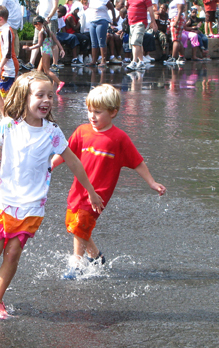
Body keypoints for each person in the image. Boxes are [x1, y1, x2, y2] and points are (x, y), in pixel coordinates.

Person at [0, 71, 104, 319]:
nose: (46, 100)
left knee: (13, 253)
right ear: (24, 97)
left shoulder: (52, 132)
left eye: (50, 95)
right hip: (3, 200)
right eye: (39, 95)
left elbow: (74, 162)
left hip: (32, 206)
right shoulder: (9, 125)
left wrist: (90, 192)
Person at [50, 84, 166, 278]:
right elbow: (65, 153)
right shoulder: (82, 131)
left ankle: (76, 265)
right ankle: (96, 257)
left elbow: (137, 162)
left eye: (97, 112)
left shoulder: (119, 139)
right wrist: (48, 167)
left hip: (98, 194)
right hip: (78, 190)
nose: (92, 116)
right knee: (73, 224)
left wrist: (152, 183)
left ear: (113, 112)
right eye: (89, 111)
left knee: (80, 225)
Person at [24, 0, 61, 72]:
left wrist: (49, 16)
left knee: (52, 41)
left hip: (50, 20)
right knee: (36, 40)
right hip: (40, 19)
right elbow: (41, 3)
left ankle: (55, 63)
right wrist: (38, 9)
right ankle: (31, 63)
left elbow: (55, 6)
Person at [0, 5, 19, 116]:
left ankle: (11, 118)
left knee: (6, 95)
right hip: (2, 67)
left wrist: (0, 67)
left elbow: (7, 53)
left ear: (0, 19)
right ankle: (5, 116)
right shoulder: (2, 30)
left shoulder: (6, 31)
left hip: (7, 68)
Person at [23, 15, 65, 93]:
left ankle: (59, 82)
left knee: (47, 70)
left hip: (45, 52)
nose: (36, 28)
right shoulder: (48, 30)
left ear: (38, 24)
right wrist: (61, 49)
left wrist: (29, 48)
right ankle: (36, 84)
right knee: (39, 70)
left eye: (35, 26)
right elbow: (56, 40)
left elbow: (39, 44)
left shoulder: (41, 32)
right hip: (47, 51)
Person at [125, 0, 155, 71]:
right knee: (138, 43)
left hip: (141, 22)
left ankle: (134, 61)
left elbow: (150, 9)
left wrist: (153, 22)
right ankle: (141, 61)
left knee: (135, 41)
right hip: (131, 22)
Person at [87, 0, 117, 67]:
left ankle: (103, 60)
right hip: (93, 21)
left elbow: (112, 9)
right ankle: (93, 60)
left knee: (101, 41)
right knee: (94, 42)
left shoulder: (105, 0)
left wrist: (113, 20)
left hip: (102, 21)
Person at [165, 0, 186, 65]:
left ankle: (173, 57)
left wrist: (176, 21)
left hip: (177, 18)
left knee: (175, 39)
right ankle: (181, 56)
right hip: (174, 18)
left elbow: (180, 11)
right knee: (178, 38)